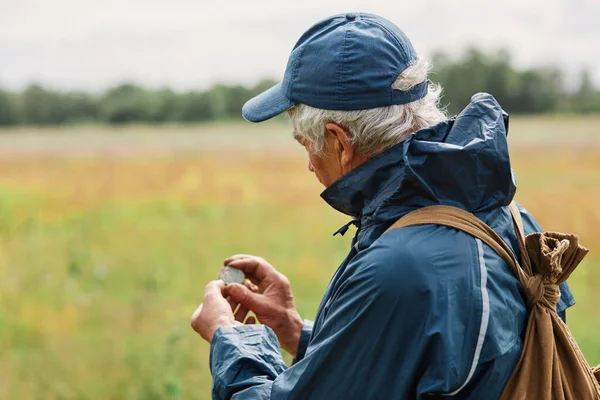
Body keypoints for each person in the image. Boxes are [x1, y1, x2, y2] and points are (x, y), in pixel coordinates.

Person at [190, 13, 575, 399]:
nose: (309, 164)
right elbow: (441, 366)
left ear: (339, 141)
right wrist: (294, 330)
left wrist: (233, 342)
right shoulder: (508, 217)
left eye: (305, 145)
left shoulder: (399, 270)